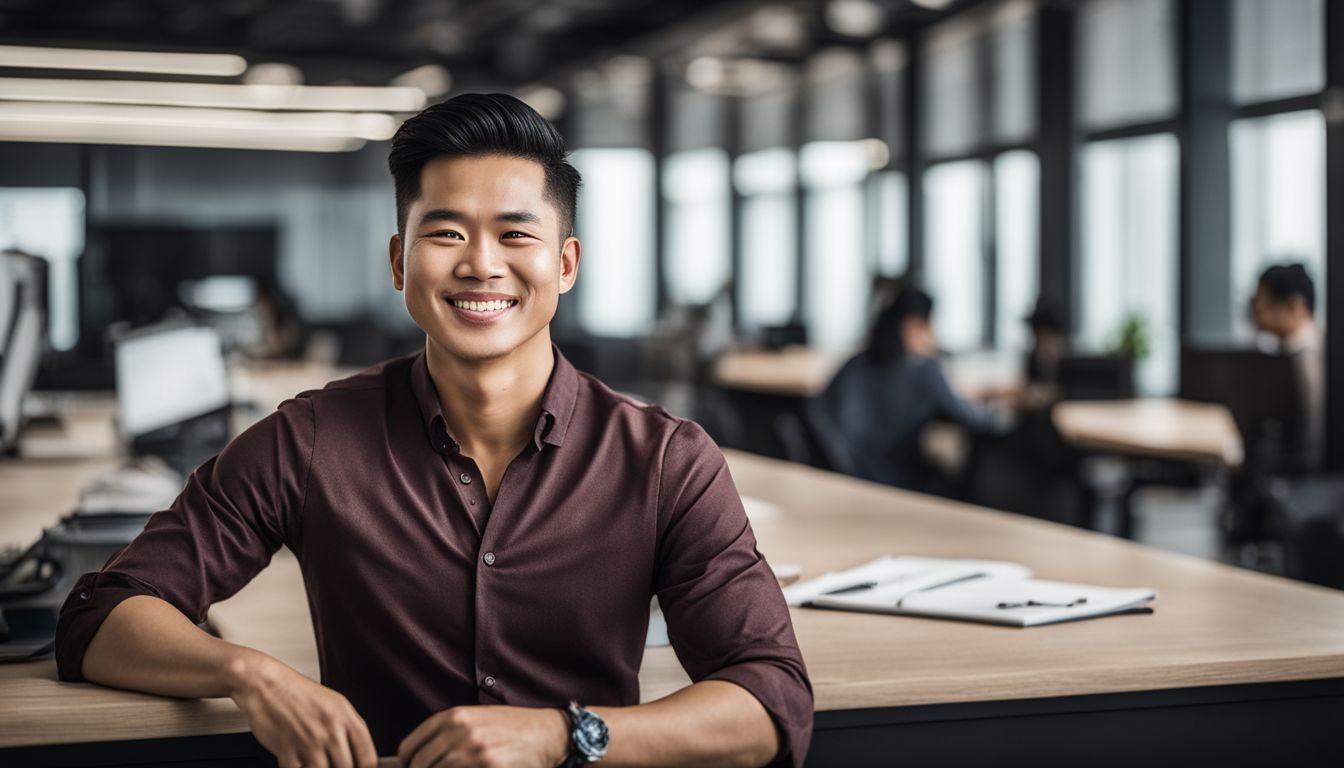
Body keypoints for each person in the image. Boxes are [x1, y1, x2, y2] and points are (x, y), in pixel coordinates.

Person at [55, 94, 812, 768]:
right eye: (446, 233)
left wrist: (567, 736)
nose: (482, 265)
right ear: (398, 261)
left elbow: (770, 699)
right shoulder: (311, 439)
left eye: (516, 236)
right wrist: (248, 672)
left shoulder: (664, 461)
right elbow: (104, 613)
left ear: (566, 263)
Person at [814, 286, 1006, 490]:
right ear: (913, 326)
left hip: (845, 477)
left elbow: (821, 414)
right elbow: (974, 419)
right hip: (897, 482)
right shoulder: (924, 370)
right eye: (928, 326)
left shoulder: (853, 365)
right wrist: (1005, 411)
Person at [1249, 263, 1324, 470]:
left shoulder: (1309, 357)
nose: (1255, 308)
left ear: (1294, 306)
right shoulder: (1285, 353)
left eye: (1261, 299)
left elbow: (1315, 438)